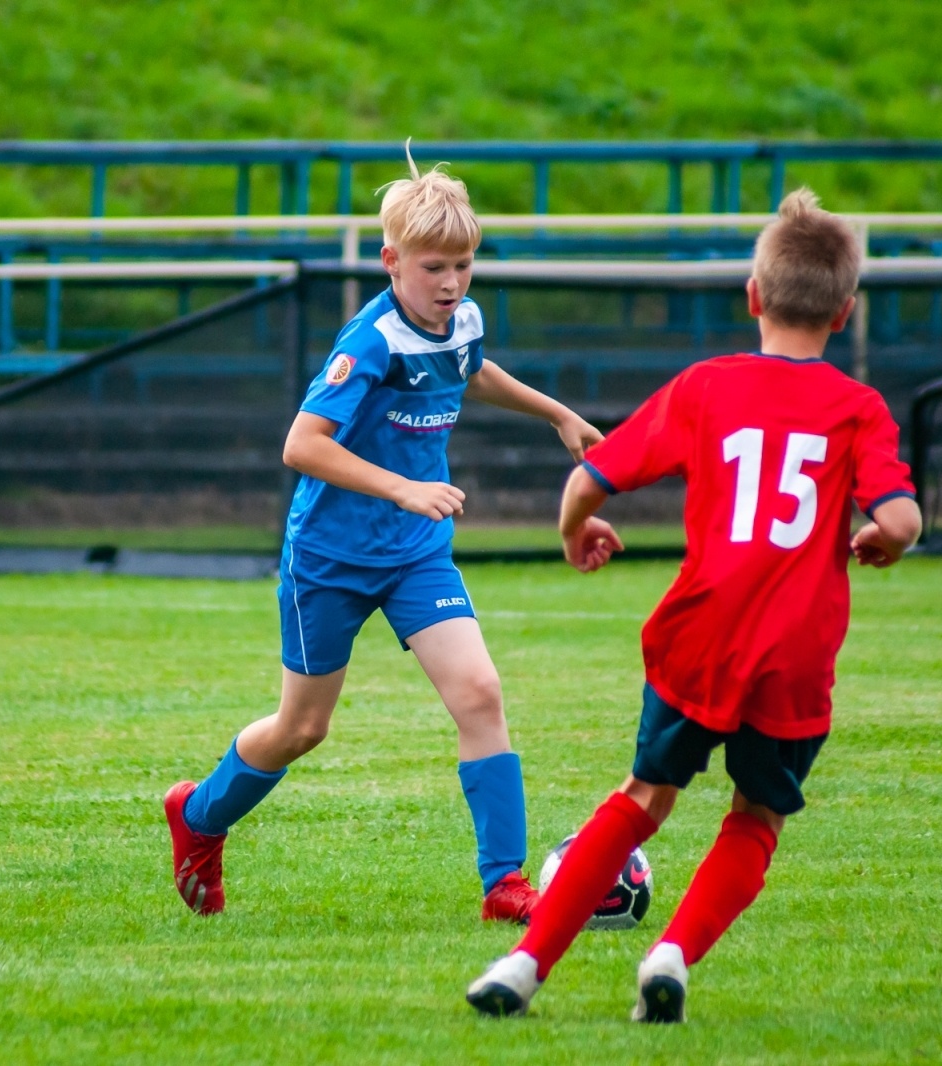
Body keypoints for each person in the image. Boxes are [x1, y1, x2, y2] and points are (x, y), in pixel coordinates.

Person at [467, 188, 923, 1017]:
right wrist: (883, 539)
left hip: (699, 633)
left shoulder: (708, 386)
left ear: (752, 296)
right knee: (754, 818)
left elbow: (588, 478)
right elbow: (900, 515)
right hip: (794, 652)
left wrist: (578, 532)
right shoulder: (859, 410)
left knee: (645, 798)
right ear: (847, 313)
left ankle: (522, 968)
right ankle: (671, 954)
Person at [164, 147, 604, 923]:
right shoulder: (366, 343)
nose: (451, 283)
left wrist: (557, 414)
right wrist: (403, 485)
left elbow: (471, 368)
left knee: (480, 693)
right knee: (303, 729)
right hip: (329, 561)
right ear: (391, 261)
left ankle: (505, 886)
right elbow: (302, 445)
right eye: (434, 267)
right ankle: (199, 816)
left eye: (464, 264)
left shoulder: (460, 316)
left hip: (414, 554)